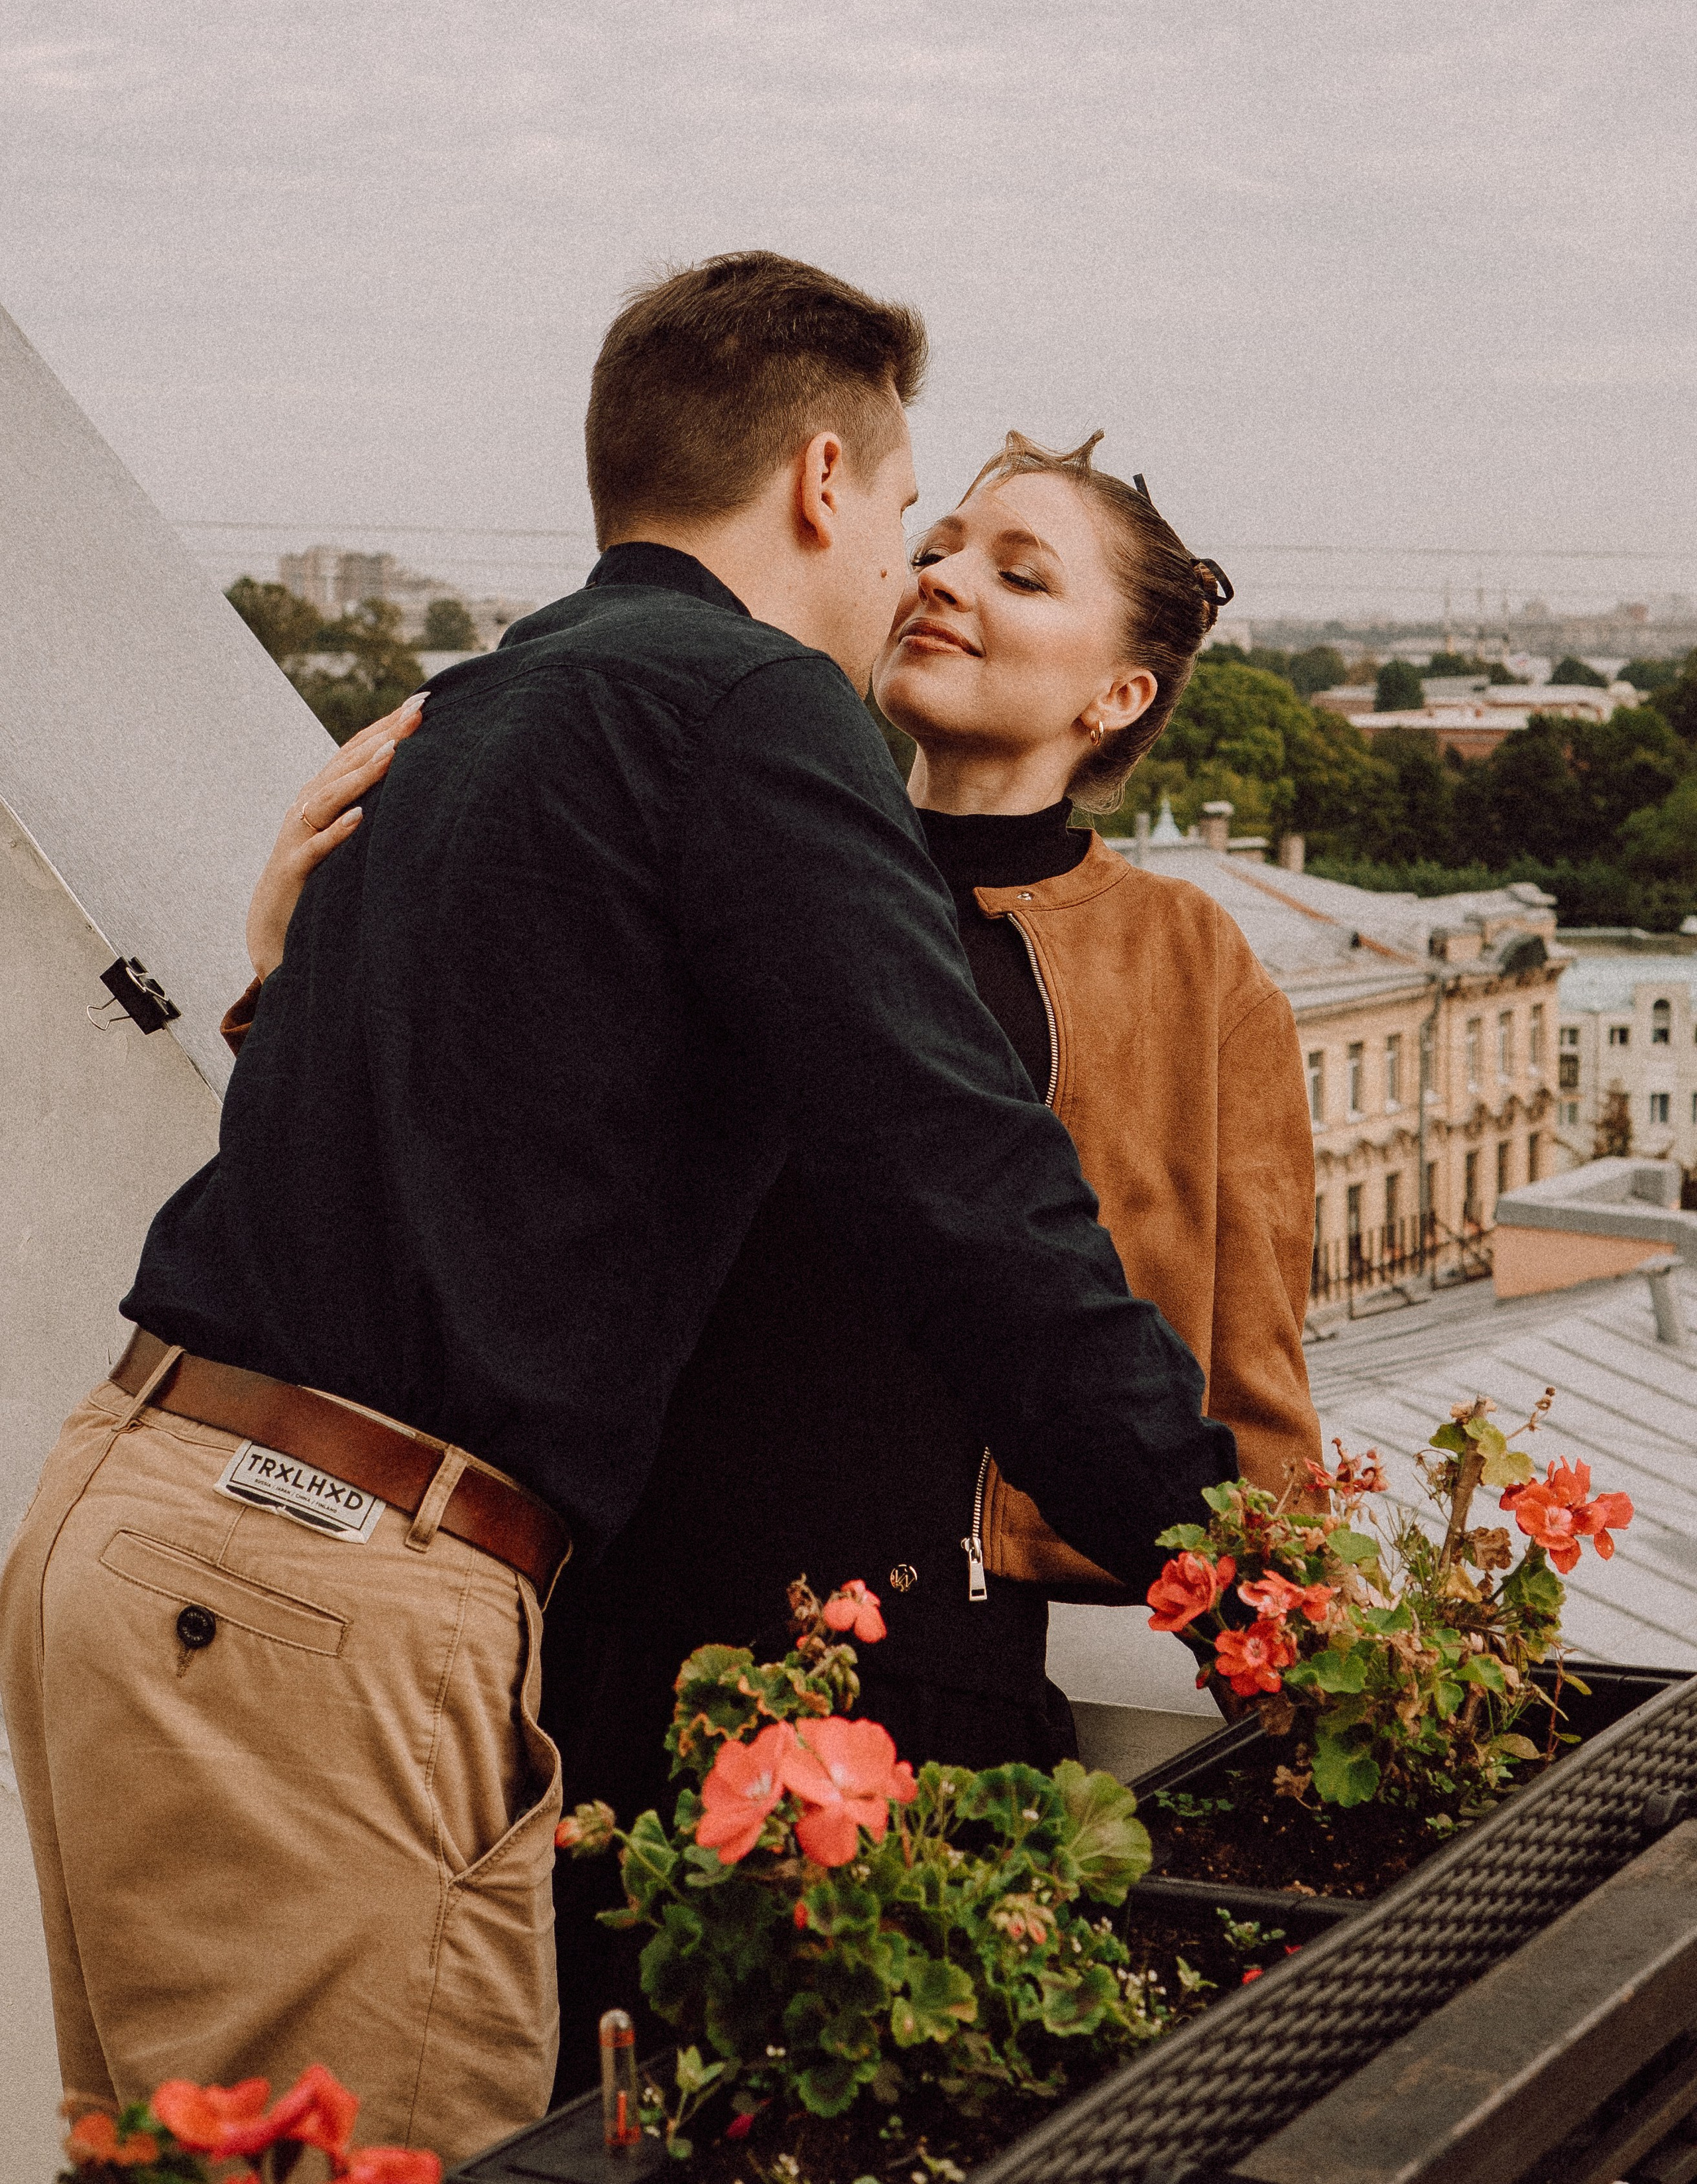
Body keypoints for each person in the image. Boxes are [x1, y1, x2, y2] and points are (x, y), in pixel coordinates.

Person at [0, 253, 1234, 2166]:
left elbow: (466, 1106)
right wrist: (1238, 1569)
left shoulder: (487, 702)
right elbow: (965, 1184)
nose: (907, 560)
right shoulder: (746, 704)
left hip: (138, 1527)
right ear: (823, 481)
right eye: (911, 505)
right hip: (321, 1577)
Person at [232, 428, 1320, 2094]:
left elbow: (1247, 1363)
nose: (945, 576)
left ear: (1119, 698)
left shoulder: (1191, 967)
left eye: (1020, 573)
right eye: (939, 541)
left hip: (930, 1667)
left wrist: (1295, 1645)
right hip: (616, 1635)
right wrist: (292, 968)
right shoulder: (732, 842)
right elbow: (480, 1147)